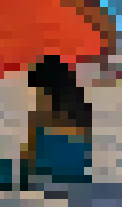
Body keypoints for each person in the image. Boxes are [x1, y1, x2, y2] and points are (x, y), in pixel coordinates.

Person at [21, 55, 94, 183]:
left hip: (44, 186)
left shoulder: (39, 121)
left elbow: (28, 162)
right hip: (78, 187)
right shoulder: (84, 118)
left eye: (38, 91)